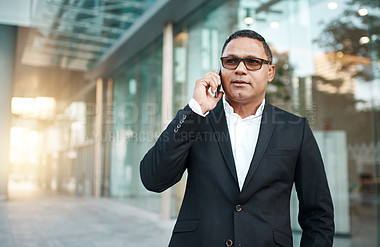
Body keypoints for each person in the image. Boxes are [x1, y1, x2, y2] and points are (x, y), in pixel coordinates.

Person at [140, 29, 334, 247]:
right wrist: (195, 110)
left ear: (270, 72)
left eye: (252, 62)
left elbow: (318, 214)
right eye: (231, 61)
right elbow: (153, 179)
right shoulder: (197, 120)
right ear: (220, 70)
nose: (240, 69)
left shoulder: (296, 129)